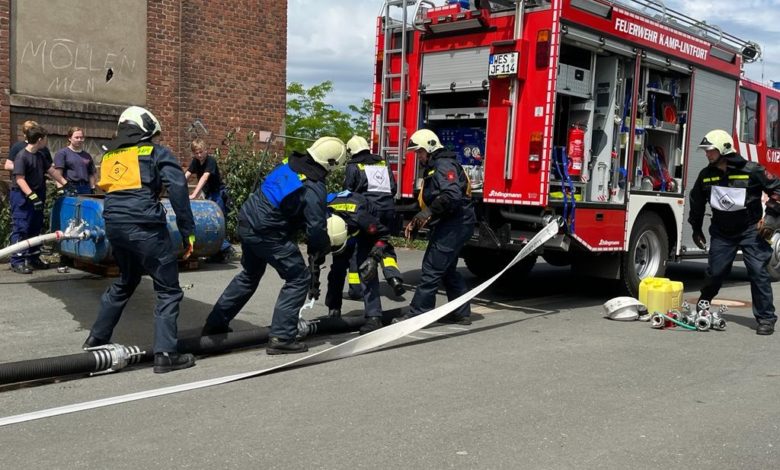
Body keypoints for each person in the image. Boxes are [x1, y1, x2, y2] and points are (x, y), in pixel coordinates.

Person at [201, 137, 347, 354]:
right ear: (331, 163)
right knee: (298, 277)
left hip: (248, 221)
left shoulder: (289, 164)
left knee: (250, 274)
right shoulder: (314, 184)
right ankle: (282, 336)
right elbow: (315, 229)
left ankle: (214, 326)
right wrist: (323, 247)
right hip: (267, 231)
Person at [82, 106, 197, 373]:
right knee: (168, 290)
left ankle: (96, 339)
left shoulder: (110, 155)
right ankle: (166, 354)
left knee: (126, 279)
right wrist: (187, 230)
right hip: (145, 227)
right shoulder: (154, 152)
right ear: (145, 128)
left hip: (114, 225)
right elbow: (178, 187)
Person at [689, 129, 780, 336]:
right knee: (715, 273)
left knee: (758, 272)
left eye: (710, 150)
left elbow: (778, 189)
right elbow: (696, 201)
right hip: (722, 233)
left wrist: (771, 219)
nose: (707, 154)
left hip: (750, 231)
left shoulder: (752, 170)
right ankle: (702, 307)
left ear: (723, 150)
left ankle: (766, 318)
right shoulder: (706, 175)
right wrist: (695, 228)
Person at [393, 129, 477, 325]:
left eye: (420, 152)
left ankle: (418, 314)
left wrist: (426, 214)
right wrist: (416, 218)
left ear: (430, 148)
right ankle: (461, 312)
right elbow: (432, 200)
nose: (418, 157)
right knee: (446, 268)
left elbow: (451, 196)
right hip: (456, 223)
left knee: (431, 267)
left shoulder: (443, 164)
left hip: (455, 224)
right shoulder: (436, 165)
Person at [343, 135, 405, 298]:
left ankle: (356, 290)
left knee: (359, 248)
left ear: (351, 150)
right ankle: (394, 278)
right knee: (382, 244)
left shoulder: (353, 165)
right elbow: (393, 188)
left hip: (368, 212)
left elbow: (348, 191)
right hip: (388, 210)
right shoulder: (383, 162)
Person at [324, 190, 392, 335]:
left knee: (367, 272)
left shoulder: (363, 218)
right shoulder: (325, 214)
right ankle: (333, 309)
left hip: (363, 235)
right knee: (337, 271)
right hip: (343, 234)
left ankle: (374, 317)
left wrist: (374, 258)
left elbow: (384, 234)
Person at [9, 124, 71, 274]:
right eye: (45, 139)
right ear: (39, 140)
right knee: (21, 227)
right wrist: (32, 196)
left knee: (35, 227)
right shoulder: (22, 156)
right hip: (23, 197)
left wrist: (65, 184)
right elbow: (20, 179)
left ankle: (33, 258)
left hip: (38, 194)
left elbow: (51, 171)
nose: (46, 142)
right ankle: (17, 261)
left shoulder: (40, 155)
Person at [184, 138, 234, 262]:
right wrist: (176, 186)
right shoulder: (195, 161)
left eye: (201, 152)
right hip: (209, 194)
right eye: (196, 153)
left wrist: (195, 194)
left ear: (206, 150)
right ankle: (217, 251)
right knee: (210, 222)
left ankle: (226, 249)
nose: (199, 155)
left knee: (217, 221)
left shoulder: (210, 161)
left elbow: (205, 178)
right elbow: (186, 175)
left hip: (218, 193)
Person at [53, 126, 97, 194]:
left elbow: (91, 174)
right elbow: (58, 174)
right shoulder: (62, 153)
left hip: (86, 188)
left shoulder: (87, 155)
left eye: (81, 138)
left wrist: (92, 187)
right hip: (70, 187)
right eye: (76, 137)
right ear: (70, 138)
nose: (79, 140)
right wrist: (60, 189)